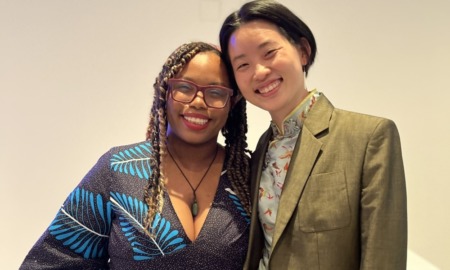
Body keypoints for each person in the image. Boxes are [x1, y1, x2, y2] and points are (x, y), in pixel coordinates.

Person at [20, 41, 252, 269]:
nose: (199, 102)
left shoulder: (249, 178)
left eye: (215, 92)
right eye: (184, 87)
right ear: (165, 91)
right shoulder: (118, 168)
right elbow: (53, 261)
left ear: (232, 102)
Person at [219, 1, 407, 269]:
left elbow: (383, 258)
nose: (259, 72)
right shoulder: (260, 150)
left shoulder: (368, 137)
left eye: (269, 52)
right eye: (243, 65)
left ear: (303, 51)